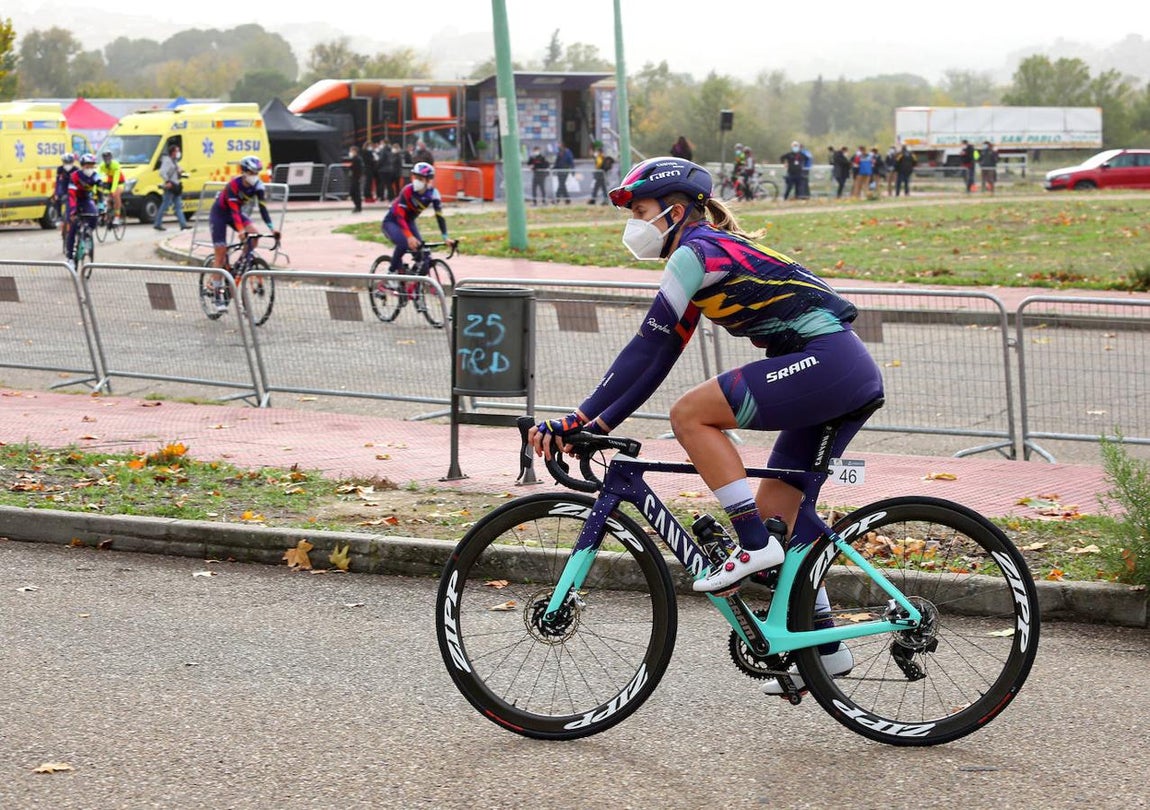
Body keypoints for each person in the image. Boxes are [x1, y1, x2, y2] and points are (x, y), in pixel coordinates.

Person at [528, 158, 883, 695]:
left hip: (829, 362)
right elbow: (661, 353)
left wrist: (578, 418)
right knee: (780, 517)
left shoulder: (696, 252)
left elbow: (646, 345)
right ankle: (825, 649)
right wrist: (598, 422)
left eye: (642, 212)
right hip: (835, 368)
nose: (635, 225)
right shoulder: (702, 255)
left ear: (673, 210)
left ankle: (750, 544)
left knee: (690, 414)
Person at [206, 155, 279, 308]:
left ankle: (241, 265)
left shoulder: (258, 187)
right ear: (244, 172)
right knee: (220, 252)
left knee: (254, 234)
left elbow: (263, 209)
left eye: (257, 172)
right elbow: (233, 211)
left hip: (237, 214)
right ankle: (217, 291)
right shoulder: (233, 185)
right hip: (219, 214)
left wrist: (272, 229)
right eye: (252, 173)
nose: (255, 176)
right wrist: (240, 231)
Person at [380, 161, 455, 280]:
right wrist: (409, 236)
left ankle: (412, 285)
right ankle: (391, 274)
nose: (416, 181)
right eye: (415, 177)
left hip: (409, 222)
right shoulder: (407, 190)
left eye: (420, 178)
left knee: (424, 256)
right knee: (404, 243)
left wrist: (445, 237)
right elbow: (400, 216)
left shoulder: (433, 194)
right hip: (392, 221)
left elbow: (439, 217)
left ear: (428, 180)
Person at [65, 153, 102, 262]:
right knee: (73, 226)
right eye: (87, 166)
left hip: (86, 199)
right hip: (74, 200)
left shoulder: (95, 175)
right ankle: (70, 257)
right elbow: (71, 194)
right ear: (82, 166)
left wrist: (101, 205)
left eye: (92, 166)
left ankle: (87, 234)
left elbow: (100, 189)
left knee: (94, 214)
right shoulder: (75, 176)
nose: (89, 168)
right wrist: (72, 211)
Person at [153, 143, 190, 231]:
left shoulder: (174, 161)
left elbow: (175, 171)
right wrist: (167, 181)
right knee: (165, 206)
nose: (178, 152)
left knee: (178, 206)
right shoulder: (167, 161)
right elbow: (162, 172)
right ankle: (157, 224)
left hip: (176, 186)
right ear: (172, 152)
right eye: (177, 151)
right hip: (170, 186)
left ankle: (183, 224)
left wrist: (181, 172)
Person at [53, 153, 76, 250]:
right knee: (56, 199)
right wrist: (57, 193)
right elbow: (58, 182)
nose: (67, 164)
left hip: (73, 190)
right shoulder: (60, 169)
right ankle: (58, 217)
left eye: (69, 162)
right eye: (65, 162)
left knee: (71, 208)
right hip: (63, 189)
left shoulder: (76, 170)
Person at [99, 149, 125, 225]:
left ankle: (117, 217)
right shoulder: (102, 166)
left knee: (116, 195)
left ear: (111, 158)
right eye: (105, 158)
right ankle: (106, 214)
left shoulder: (115, 164)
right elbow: (98, 175)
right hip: (109, 182)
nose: (107, 159)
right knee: (105, 197)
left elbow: (116, 179)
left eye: (108, 157)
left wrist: (113, 190)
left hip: (119, 182)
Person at [347, 145, 364, 213]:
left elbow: (357, 169)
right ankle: (358, 206)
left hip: (355, 178)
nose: (350, 152)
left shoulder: (356, 159)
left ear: (354, 151)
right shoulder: (356, 158)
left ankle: (358, 206)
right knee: (355, 193)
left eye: (351, 151)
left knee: (355, 193)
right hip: (355, 178)